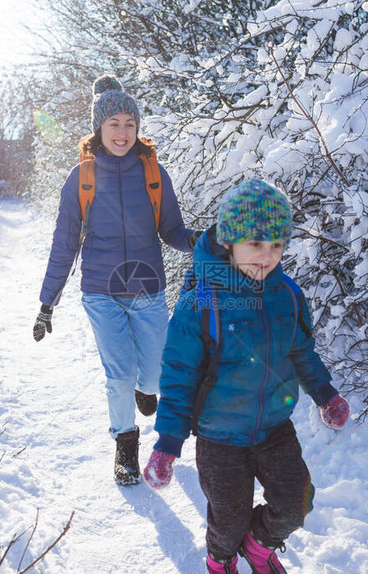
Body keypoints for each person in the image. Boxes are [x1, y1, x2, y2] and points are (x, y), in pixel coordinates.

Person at [141, 179, 350, 573]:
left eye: (276, 245)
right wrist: (168, 443)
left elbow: (301, 350)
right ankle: (220, 560)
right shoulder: (200, 303)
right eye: (255, 243)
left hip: (274, 427)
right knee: (228, 519)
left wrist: (325, 394)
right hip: (219, 438)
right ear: (230, 241)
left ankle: (258, 547)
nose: (266, 256)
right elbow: (178, 377)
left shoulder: (286, 294)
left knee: (296, 502)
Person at [33, 75, 199, 486]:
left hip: (148, 290)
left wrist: (201, 241)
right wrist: (46, 302)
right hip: (101, 293)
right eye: (114, 124)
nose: (122, 133)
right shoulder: (82, 178)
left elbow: (172, 230)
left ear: (138, 128)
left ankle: (147, 389)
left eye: (129, 123)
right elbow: (64, 244)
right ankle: (126, 445)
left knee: (157, 375)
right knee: (119, 374)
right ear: (98, 129)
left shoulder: (153, 174)